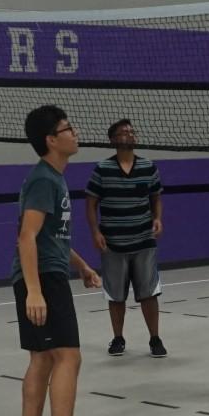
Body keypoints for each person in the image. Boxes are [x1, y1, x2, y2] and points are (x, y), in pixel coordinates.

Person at [12, 104, 107, 416]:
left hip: (48, 273)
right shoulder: (43, 180)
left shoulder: (53, 178)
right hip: (43, 279)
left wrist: (81, 266)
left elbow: (52, 238)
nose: (75, 132)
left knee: (42, 357)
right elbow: (27, 236)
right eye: (68, 128)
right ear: (52, 140)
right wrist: (35, 290)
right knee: (69, 357)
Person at [85, 118, 166, 359]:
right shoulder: (102, 169)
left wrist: (158, 218)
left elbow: (156, 198)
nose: (129, 135)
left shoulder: (149, 166)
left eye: (132, 131)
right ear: (113, 139)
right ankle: (118, 338)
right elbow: (91, 205)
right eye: (124, 132)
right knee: (116, 295)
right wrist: (95, 232)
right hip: (113, 243)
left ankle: (155, 339)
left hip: (144, 241)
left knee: (149, 293)